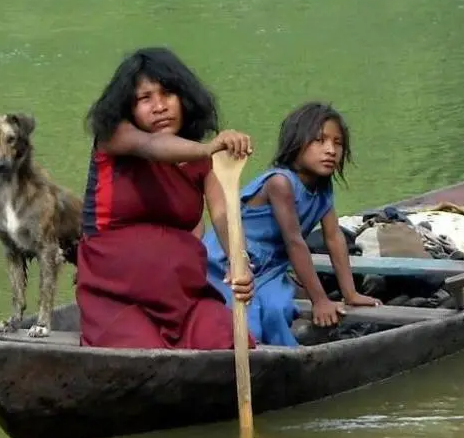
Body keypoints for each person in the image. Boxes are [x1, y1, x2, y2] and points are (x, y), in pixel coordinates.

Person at [76, 46, 256, 350]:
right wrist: (209, 148)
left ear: (184, 98)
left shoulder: (205, 162)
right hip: (116, 296)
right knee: (143, 356)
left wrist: (239, 261)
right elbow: (152, 146)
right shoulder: (116, 137)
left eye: (168, 94)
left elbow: (223, 215)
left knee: (228, 340)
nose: (159, 106)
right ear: (129, 108)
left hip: (184, 296)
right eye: (145, 98)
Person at [202, 101, 382, 347]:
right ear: (296, 144)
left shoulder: (323, 186)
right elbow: (294, 242)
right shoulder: (280, 183)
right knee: (247, 320)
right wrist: (319, 300)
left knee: (278, 309)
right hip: (231, 261)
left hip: (271, 266)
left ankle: (283, 363)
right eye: (319, 141)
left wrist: (349, 293)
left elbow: (334, 238)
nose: (330, 150)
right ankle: (248, 365)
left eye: (337, 143)